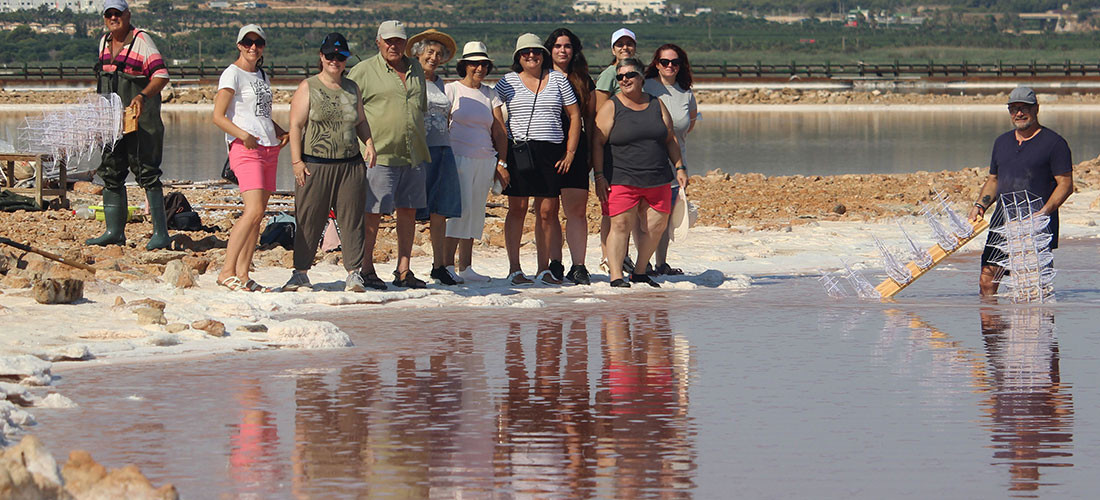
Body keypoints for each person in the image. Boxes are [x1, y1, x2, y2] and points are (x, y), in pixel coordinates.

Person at [283, 33, 377, 292]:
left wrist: (368, 143)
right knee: (309, 218)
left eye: (340, 56)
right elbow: (295, 125)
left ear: (346, 59)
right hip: (315, 164)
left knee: (352, 219)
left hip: (350, 165)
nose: (335, 60)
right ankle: (300, 272)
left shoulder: (352, 88)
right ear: (321, 57)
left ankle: (354, 273)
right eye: (330, 55)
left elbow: (361, 121)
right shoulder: (308, 86)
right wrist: (296, 161)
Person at [592, 58, 689, 288]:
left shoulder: (657, 104)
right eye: (620, 77)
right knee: (620, 226)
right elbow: (597, 142)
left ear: (641, 78)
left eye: (630, 75)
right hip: (622, 177)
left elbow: (670, 138)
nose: (624, 80)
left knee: (656, 226)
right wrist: (598, 175)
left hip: (657, 177)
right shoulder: (612, 106)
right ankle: (616, 275)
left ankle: (639, 271)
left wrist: (679, 166)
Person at [348, 20, 430, 289]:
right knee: (372, 213)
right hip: (378, 154)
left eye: (399, 40)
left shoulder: (416, 68)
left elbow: (421, 108)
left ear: (406, 43)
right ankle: (366, 268)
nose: (394, 45)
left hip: (414, 153)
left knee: (408, 212)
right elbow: (349, 110)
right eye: (389, 40)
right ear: (378, 41)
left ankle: (404, 270)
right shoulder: (363, 71)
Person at [968, 86, 1073, 297]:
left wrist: (1044, 213)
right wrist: (980, 205)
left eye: (1024, 108)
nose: (1018, 113)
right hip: (1002, 220)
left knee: (1032, 288)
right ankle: (994, 330)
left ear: (1036, 109)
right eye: (1013, 108)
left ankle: (1036, 329)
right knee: (987, 280)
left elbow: (1066, 184)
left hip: (1036, 222)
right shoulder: (1002, 142)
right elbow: (993, 180)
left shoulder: (1055, 143)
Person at [495, 33, 581, 285]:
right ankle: (515, 269)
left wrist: (570, 152)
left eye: (536, 51)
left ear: (543, 54)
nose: (531, 56)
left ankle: (544, 268)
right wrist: (502, 143)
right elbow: (493, 109)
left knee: (547, 211)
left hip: (551, 152)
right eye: (525, 52)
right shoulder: (507, 81)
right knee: (517, 209)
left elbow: (575, 116)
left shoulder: (558, 80)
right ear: (517, 57)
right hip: (519, 151)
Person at [86, 0, 171, 250]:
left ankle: (160, 233)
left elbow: (161, 75)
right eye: (109, 14)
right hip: (111, 120)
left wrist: (142, 96)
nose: (114, 18)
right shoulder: (103, 42)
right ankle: (114, 231)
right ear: (104, 18)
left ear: (127, 15)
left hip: (141, 119)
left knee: (147, 171)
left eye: (118, 14)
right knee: (111, 171)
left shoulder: (142, 41)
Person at [212, 24, 289, 292]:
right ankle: (226, 271)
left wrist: (280, 132)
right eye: (248, 42)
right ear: (239, 45)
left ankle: (243, 274)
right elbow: (218, 116)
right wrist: (242, 136)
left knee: (259, 215)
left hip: (269, 147)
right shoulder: (231, 74)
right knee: (253, 210)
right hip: (246, 148)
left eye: (258, 43)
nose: (253, 47)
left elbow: (261, 114)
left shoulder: (261, 75)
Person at [444, 41, 509, 283]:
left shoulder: (490, 93)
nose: (479, 68)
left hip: (484, 160)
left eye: (483, 63)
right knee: (456, 213)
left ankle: (466, 266)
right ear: (465, 65)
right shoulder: (452, 90)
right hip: (457, 158)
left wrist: (502, 162)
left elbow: (499, 130)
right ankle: (447, 264)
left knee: (474, 212)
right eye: (474, 63)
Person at [407, 29, 463, 286]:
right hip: (421, 150)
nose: (434, 57)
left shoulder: (441, 83)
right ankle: (404, 267)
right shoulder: (410, 80)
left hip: (443, 148)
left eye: (438, 54)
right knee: (410, 209)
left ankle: (439, 264)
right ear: (418, 54)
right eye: (430, 52)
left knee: (440, 210)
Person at [545, 28, 596, 285]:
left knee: (575, 211)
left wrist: (587, 156)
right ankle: (554, 262)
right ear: (549, 49)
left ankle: (578, 265)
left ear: (574, 50)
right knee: (548, 210)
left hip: (576, 151)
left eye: (567, 46)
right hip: (546, 149)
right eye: (557, 45)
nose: (562, 50)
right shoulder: (541, 77)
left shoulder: (583, 80)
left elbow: (590, 120)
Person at [643, 43, 697, 276]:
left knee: (664, 216)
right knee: (644, 216)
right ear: (656, 64)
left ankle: (660, 263)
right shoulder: (646, 87)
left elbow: (688, 125)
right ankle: (640, 263)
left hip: (676, 165)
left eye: (675, 62)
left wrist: (680, 163)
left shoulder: (687, 93)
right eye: (665, 62)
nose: (670, 66)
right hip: (646, 162)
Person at [593, 28, 637, 273]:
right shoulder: (610, 74)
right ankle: (607, 256)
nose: (624, 48)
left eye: (629, 44)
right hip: (612, 150)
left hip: (633, 151)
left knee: (628, 206)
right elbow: (600, 113)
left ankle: (623, 254)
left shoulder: (636, 71)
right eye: (620, 44)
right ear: (613, 49)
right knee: (611, 207)